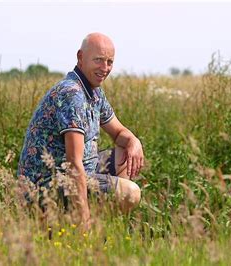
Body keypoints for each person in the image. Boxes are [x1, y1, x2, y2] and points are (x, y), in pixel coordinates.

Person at [17, 32, 144, 228]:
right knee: (130, 192)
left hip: (78, 172)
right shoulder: (72, 94)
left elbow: (119, 134)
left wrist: (134, 142)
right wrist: (84, 221)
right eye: (99, 60)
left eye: (109, 62)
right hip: (45, 187)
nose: (105, 68)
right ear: (80, 57)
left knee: (124, 155)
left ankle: (107, 228)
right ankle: (83, 229)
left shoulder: (93, 91)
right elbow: (74, 164)